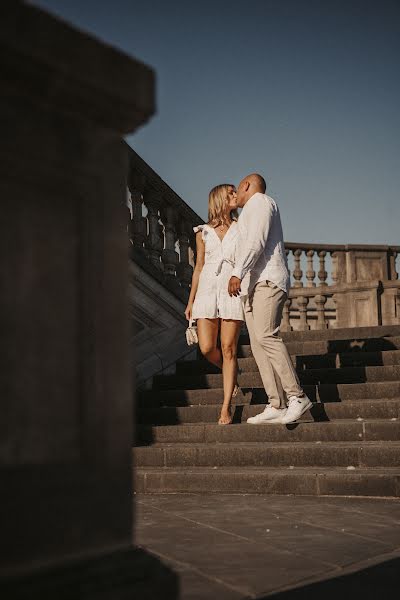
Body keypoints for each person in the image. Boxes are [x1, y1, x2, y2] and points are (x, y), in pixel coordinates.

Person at [228, 173, 312, 424]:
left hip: (268, 280)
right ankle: (276, 403)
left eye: (237, 189)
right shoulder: (247, 212)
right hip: (253, 285)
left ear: (246, 185)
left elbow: (256, 242)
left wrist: (236, 273)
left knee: (266, 336)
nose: (236, 194)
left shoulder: (261, 202)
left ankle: (298, 396)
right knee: (257, 344)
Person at [185, 184, 244, 425]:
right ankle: (231, 374)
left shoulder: (242, 229)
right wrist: (190, 302)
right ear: (219, 198)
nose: (235, 195)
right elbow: (198, 267)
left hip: (232, 290)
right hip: (207, 290)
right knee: (207, 348)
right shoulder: (202, 232)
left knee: (229, 348)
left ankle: (226, 407)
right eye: (230, 192)